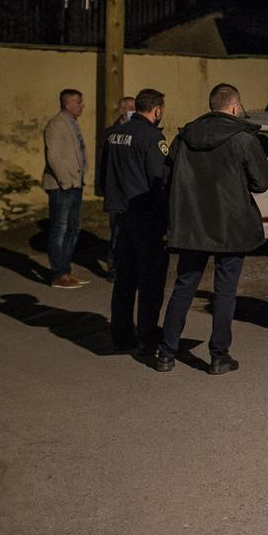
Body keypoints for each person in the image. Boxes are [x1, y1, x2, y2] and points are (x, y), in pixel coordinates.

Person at [152, 83, 268, 375]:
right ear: (234, 106)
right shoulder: (243, 139)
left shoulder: (185, 136)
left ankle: (166, 353)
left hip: (192, 223)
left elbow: (167, 179)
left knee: (184, 286)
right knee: (225, 291)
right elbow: (262, 182)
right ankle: (219, 356)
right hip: (230, 225)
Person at [101, 89, 169, 354]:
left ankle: (121, 334)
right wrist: (165, 219)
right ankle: (148, 334)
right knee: (150, 279)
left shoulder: (114, 134)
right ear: (157, 110)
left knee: (125, 278)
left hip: (120, 214)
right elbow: (158, 181)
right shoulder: (152, 137)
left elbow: (104, 172)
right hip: (145, 216)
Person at [41, 88, 88, 288]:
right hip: (63, 186)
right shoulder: (56, 125)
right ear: (68, 104)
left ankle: (66, 271)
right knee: (60, 229)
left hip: (75, 184)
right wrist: (66, 181)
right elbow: (54, 157)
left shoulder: (72, 124)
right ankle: (58, 274)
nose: (81, 105)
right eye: (78, 102)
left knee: (72, 229)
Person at [94, 96, 136, 278]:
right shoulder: (110, 133)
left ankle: (130, 266)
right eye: (128, 107)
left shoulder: (138, 131)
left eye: (134, 107)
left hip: (133, 190)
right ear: (121, 110)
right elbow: (103, 163)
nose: (131, 111)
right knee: (117, 231)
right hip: (117, 190)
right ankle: (114, 267)